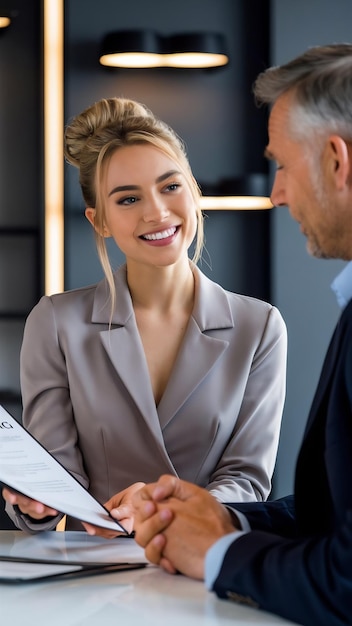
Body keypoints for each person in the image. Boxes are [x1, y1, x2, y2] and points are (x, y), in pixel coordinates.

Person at [131, 44, 352, 626]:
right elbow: (332, 518)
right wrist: (227, 520)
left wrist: (218, 552)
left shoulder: (260, 323)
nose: (276, 193)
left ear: (337, 162)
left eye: (283, 164)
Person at [3, 97, 287, 534]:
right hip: (93, 577)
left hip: (203, 566)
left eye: (170, 186)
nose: (155, 211)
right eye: (128, 198)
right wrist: (39, 501)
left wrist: (162, 510)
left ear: (193, 190)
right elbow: (58, 479)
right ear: (99, 221)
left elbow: (246, 482)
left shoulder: (260, 327)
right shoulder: (57, 323)